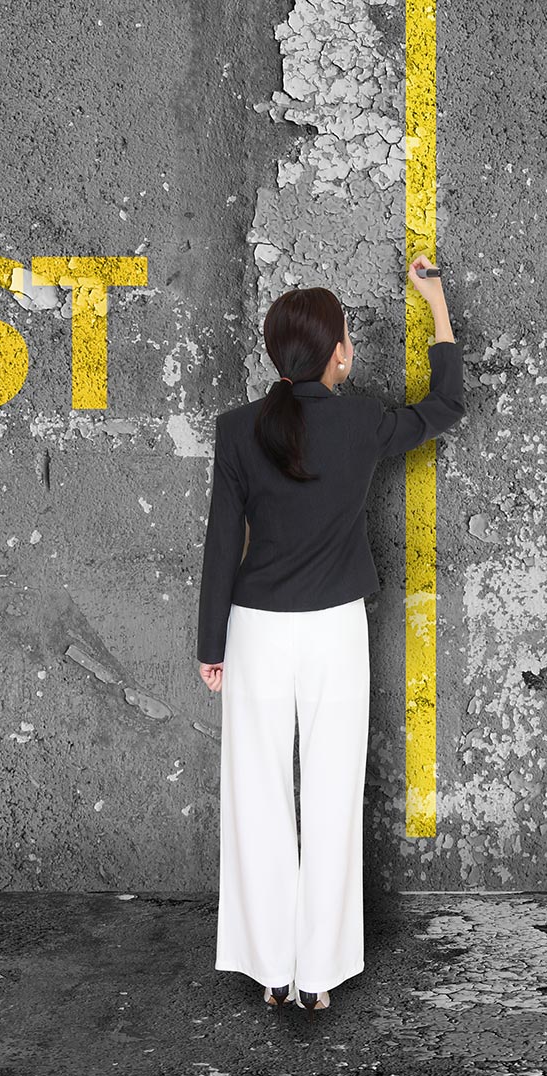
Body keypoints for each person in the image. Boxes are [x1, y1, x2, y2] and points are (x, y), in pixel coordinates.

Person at [197, 254, 464, 1013]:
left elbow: (222, 544)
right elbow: (445, 404)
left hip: (254, 632)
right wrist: (435, 299)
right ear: (336, 353)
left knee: (257, 798)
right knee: (332, 798)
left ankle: (271, 970)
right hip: (335, 634)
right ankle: (317, 975)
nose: (352, 349)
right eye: (348, 338)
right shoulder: (363, 422)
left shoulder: (237, 429)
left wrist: (211, 645)